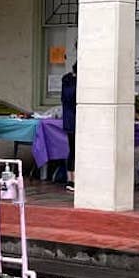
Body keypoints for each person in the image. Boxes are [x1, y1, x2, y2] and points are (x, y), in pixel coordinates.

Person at [61, 63, 77, 192]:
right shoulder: (78, 84)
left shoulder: (66, 80)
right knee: (78, 151)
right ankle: (75, 180)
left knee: (72, 150)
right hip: (77, 120)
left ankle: (70, 180)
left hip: (68, 120)